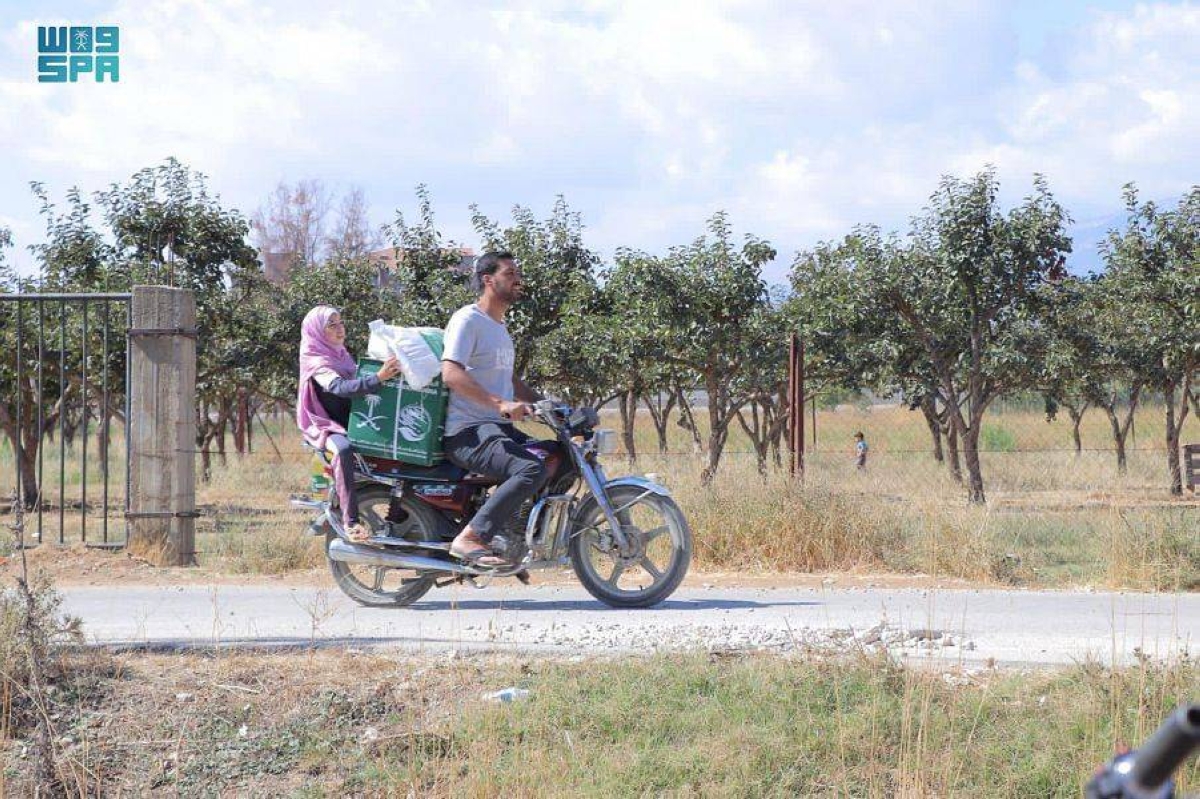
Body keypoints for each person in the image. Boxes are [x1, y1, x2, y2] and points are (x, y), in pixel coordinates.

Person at [441, 251, 549, 567]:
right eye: (510, 273)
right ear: (488, 280)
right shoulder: (468, 320)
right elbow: (451, 373)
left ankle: (512, 533)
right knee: (530, 468)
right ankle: (470, 537)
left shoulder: (499, 327)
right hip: (468, 432)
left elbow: (508, 379)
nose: (518, 279)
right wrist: (500, 404)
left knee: (556, 456)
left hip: (495, 428)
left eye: (518, 273)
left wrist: (546, 404)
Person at [296, 305, 401, 543]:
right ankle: (351, 522)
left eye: (340, 322)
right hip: (327, 425)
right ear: (317, 331)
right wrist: (379, 377)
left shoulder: (341, 355)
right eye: (331, 325)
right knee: (343, 450)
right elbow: (340, 388)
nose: (339, 328)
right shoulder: (316, 360)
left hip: (352, 421)